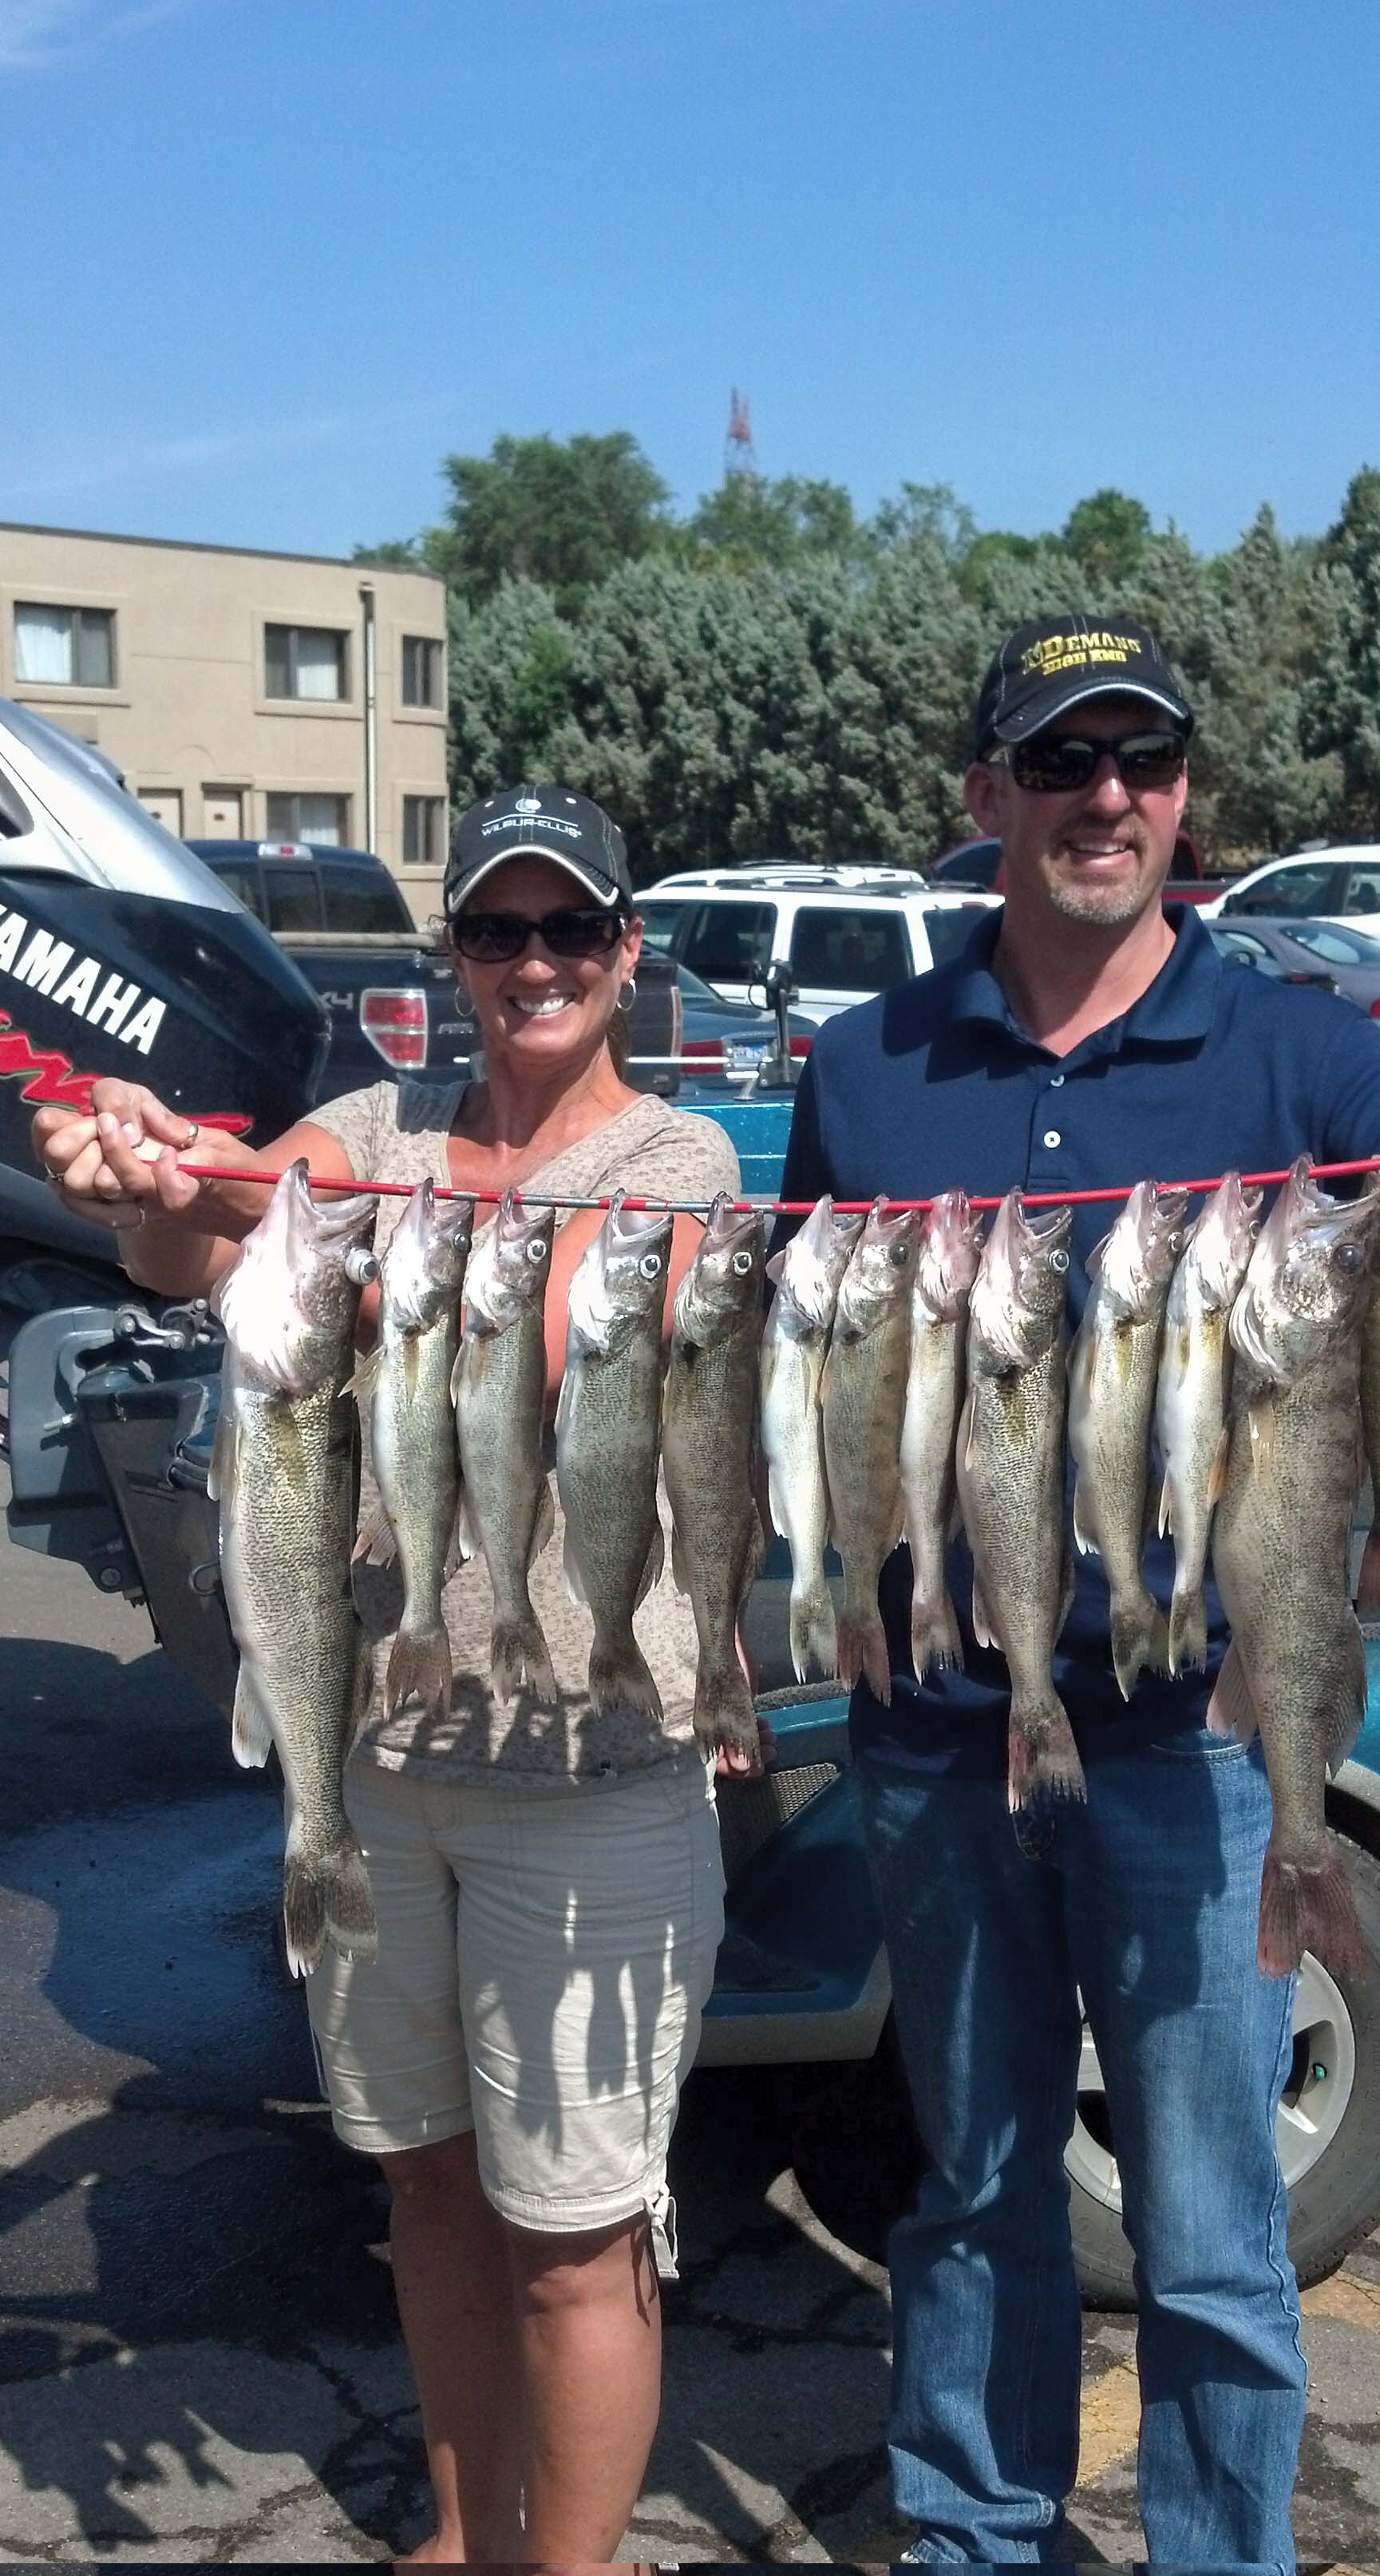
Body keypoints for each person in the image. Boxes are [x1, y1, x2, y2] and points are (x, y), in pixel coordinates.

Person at [781, 615, 1380, 2570]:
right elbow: (819, 1365)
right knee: (979, 2177)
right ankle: (973, 2533)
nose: (1105, 800)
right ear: (984, 793)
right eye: (1061, 762)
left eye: (1140, 764)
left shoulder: (1313, 1055)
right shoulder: (862, 1066)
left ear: (1182, 797)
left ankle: (1216, 2550)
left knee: (1207, 2215)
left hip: (1202, 1742)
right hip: (941, 1731)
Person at [34, 782, 749, 2570]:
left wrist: (318, 1212)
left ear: (623, 957)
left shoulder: (680, 1163)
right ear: (452, 959)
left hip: (593, 1776)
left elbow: (578, 1284)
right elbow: (203, 1248)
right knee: (423, 2183)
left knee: (575, 2233)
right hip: (375, 1769)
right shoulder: (368, 1127)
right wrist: (145, 1167)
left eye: (567, 930)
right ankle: (458, 2529)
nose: (533, 964)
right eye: (497, 932)